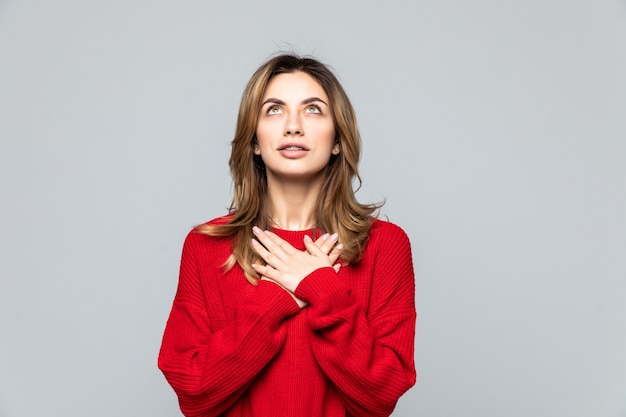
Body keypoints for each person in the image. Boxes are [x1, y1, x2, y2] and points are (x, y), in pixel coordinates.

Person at [158, 53, 416, 417]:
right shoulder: (206, 246)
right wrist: (274, 301)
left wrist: (321, 288)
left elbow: (380, 396)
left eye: (313, 110)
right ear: (254, 142)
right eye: (274, 110)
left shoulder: (384, 246)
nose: (293, 126)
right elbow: (196, 395)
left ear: (338, 140)